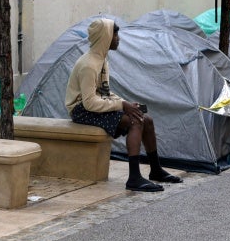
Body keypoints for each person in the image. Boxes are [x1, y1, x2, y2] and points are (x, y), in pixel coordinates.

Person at [65, 19, 183, 192]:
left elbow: (104, 92)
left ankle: (156, 170)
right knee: (136, 121)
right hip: (80, 110)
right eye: (115, 34)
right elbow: (89, 102)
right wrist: (122, 105)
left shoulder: (101, 60)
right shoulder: (89, 65)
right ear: (105, 37)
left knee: (146, 119)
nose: (118, 38)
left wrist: (126, 104)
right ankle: (134, 178)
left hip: (92, 105)